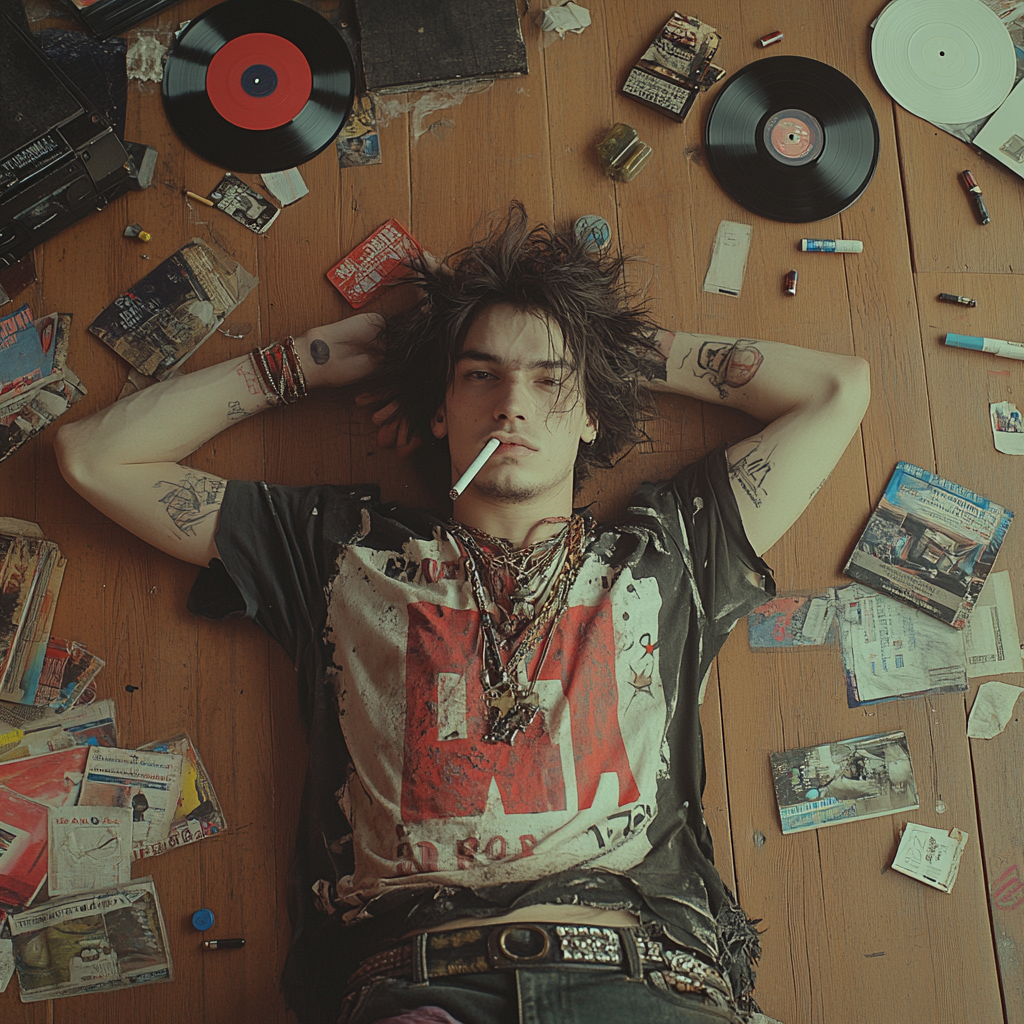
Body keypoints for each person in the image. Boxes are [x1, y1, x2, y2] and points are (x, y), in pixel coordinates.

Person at [55, 203, 870, 1024]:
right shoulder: (340, 553)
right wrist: (309, 361)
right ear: (440, 410)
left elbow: (838, 390)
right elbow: (94, 456)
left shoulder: (668, 551)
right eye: (480, 374)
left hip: (641, 980)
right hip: (416, 986)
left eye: (550, 380)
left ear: (590, 414)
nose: (512, 402)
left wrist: (610, 347)